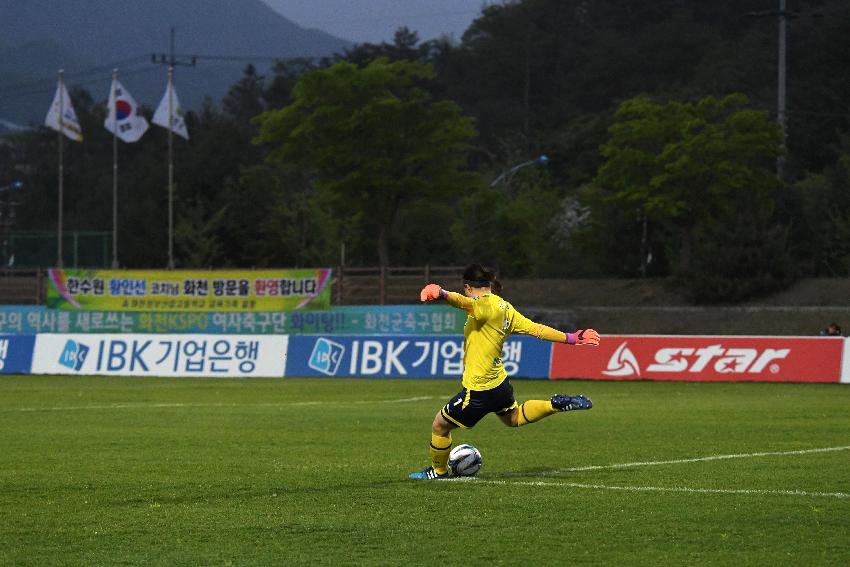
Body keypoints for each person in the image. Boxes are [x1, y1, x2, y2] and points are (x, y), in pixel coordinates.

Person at [409, 263, 601, 480]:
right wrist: (572, 338)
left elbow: (463, 303)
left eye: (466, 291)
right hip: (500, 385)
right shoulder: (505, 307)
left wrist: (442, 293)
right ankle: (553, 404)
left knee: (440, 426)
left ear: (468, 287)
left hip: (479, 390)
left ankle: (439, 472)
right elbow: (536, 329)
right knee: (513, 417)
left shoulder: (483, 305)